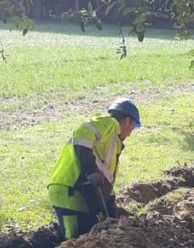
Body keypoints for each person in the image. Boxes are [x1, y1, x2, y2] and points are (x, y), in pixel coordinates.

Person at [48, 98, 141, 240]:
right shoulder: (109, 123)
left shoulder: (112, 142)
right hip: (68, 188)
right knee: (71, 244)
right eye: (133, 127)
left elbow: (105, 177)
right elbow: (81, 134)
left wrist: (111, 207)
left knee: (84, 239)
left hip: (78, 192)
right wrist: (91, 170)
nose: (130, 133)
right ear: (127, 121)